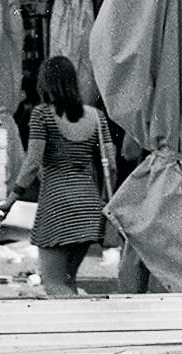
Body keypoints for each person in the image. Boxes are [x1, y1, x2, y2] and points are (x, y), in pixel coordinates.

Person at [15, 54, 116, 297]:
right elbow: (111, 165)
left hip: (57, 206)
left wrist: (11, 198)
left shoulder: (42, 115)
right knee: (68, 281)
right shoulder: (96, 116)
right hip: (89, 207)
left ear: (44, 83)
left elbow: (32, 163)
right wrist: (104, 199)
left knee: (53, 283)